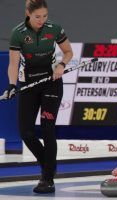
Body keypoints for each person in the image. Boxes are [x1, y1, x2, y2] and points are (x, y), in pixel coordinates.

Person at [4, 0, 73, 193]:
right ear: (28, 13)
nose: (41, 20)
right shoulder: (18, 33)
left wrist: (61, 65)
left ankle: (47, 178)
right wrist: (11, 85)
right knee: (25, 132)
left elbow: (68, 52)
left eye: (44, 16)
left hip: (51, 82)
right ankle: (48, 164)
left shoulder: (55, 29)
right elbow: (13, 63)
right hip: (29, 83)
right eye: (37, 17)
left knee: (47, 127)